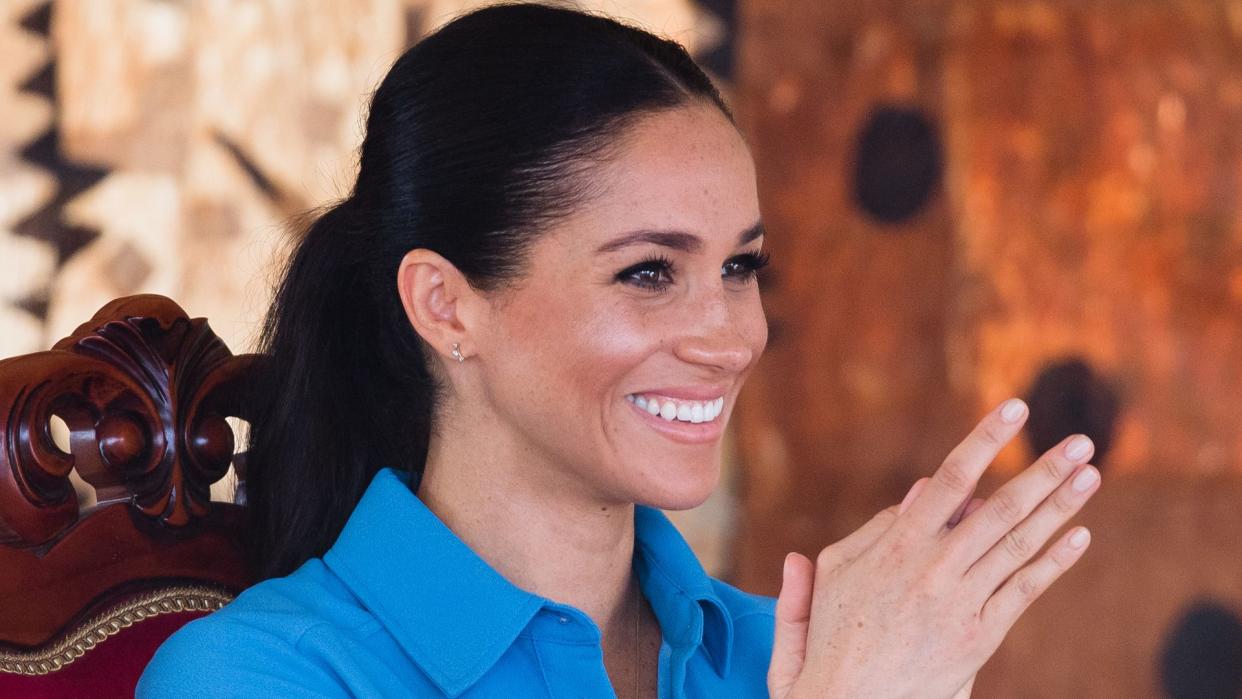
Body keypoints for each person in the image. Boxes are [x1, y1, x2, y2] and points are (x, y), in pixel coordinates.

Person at [137, 3, 1101, 697]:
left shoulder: (785, 656)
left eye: (741, 266)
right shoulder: (260, 674)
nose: (730, 336)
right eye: (648, 272)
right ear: (446, 305)